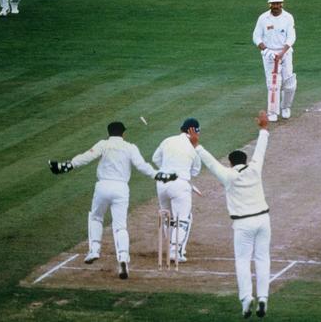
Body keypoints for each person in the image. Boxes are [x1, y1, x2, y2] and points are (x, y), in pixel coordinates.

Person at [49, 121, 166, 279]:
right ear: (123, 133)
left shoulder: (103, 144)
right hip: (121, 189)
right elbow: (142, 165)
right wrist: (158, 175)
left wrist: (67, 165)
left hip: (103, 187)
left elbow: (86, 157)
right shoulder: (130, 147)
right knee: (120, 227)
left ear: (108, 133)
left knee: (96, 217)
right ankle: (123, 259)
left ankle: (94, 251)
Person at [188, 111, 271, 319]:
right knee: (262, 259)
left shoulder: (228, 175)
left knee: (242, 261)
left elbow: (210, 162)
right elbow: (260, 150)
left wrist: (196, 145)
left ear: (231, 163)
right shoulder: (254, 169)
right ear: (245, 160)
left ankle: (246, 300)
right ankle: (263, 298)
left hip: (243, 224)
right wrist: (263, 128)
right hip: (263, 220)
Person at [152, 118, 202, 262]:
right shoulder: (193, 147)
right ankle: (175, 252)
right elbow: (196, 171)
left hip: (161, 183)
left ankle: (170, 248)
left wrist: (167, 168)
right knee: (183, 220)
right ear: (195, 132)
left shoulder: (167, 140)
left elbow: (155, 158)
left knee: (168, 217)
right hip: (180, 185)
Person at [253, 0, 297, 122]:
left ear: (282, 4)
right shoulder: (263, 18)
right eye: (273, 4)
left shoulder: (288, 17)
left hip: (285, 53)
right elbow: (256, 37)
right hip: (269, 55)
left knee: (289, 83)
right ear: (270, 4)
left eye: (278, 3)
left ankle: (285, 107)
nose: (276, 6)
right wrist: (266, 50)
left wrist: (282, 52)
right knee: (273, 84)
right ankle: (272, 111)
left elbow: (291, 37)